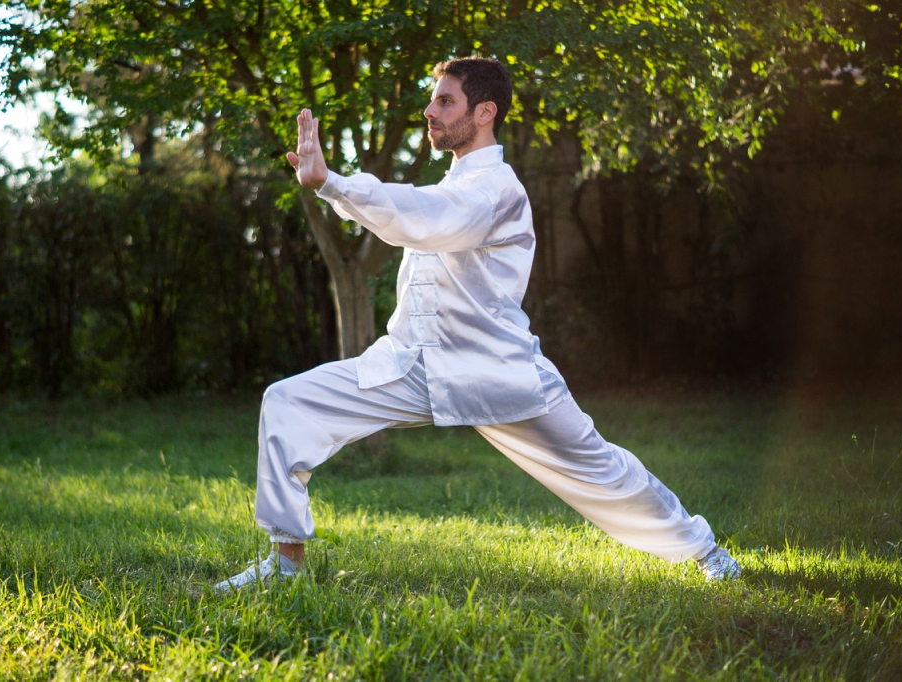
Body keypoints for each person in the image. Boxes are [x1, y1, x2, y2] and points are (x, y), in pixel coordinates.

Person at [214, 57, 741, 590]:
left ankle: (705, 552)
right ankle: (285, 565)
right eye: (433, 99)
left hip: (498, 371)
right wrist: (332, 187)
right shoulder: (458, 182)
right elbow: (421, 217)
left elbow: (423, 217)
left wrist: (332, 182)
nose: (430, 111)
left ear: (485, 111)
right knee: (288, 401)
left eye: (445, 101)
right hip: (414, 365)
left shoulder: (495, 189)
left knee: (599, 468)